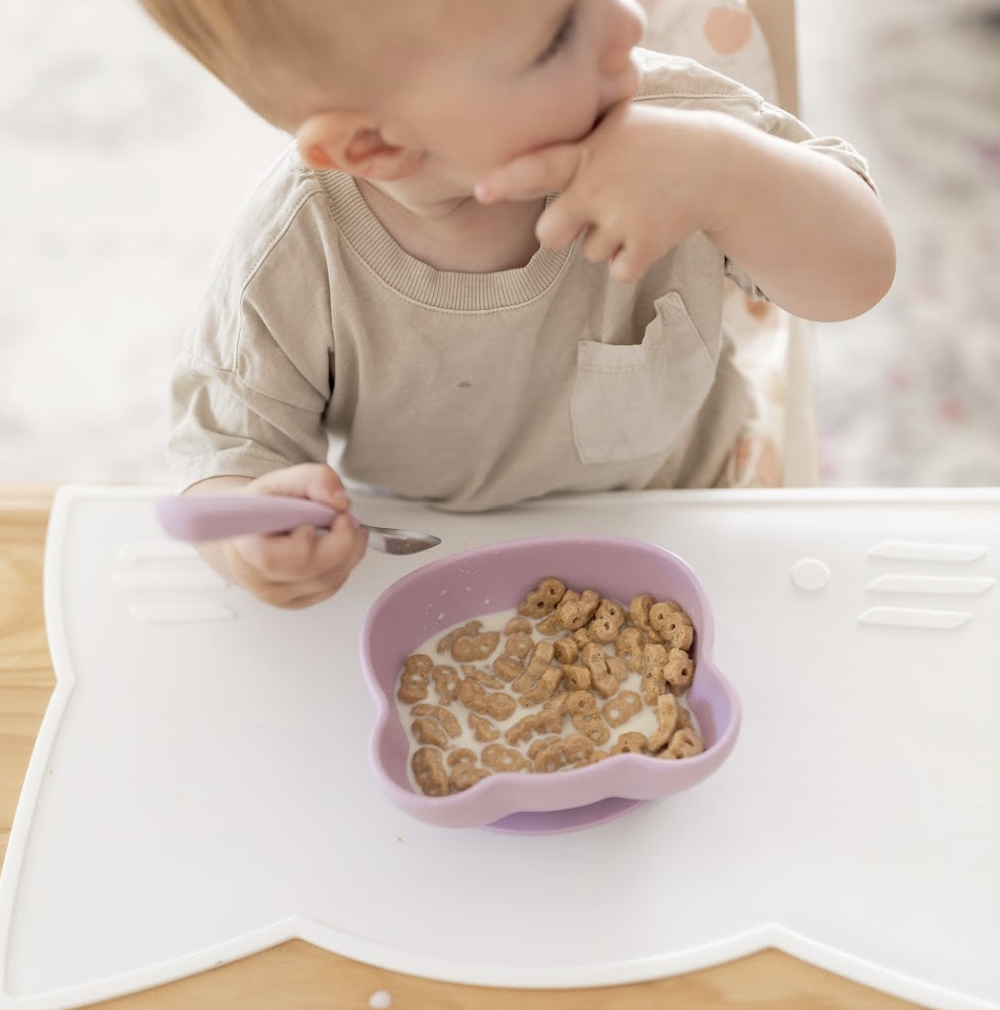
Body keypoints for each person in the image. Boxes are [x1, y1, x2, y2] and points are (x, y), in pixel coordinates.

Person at [139, 0, 895, 608]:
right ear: (375, 147)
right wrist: (253, 543)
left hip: (686, 510)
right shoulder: (294, 253)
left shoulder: (675, 127)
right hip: (432, 560)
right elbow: (222, 455)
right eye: (560, 31)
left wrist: (727, 176)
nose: (631, 20)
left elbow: (859, 273)